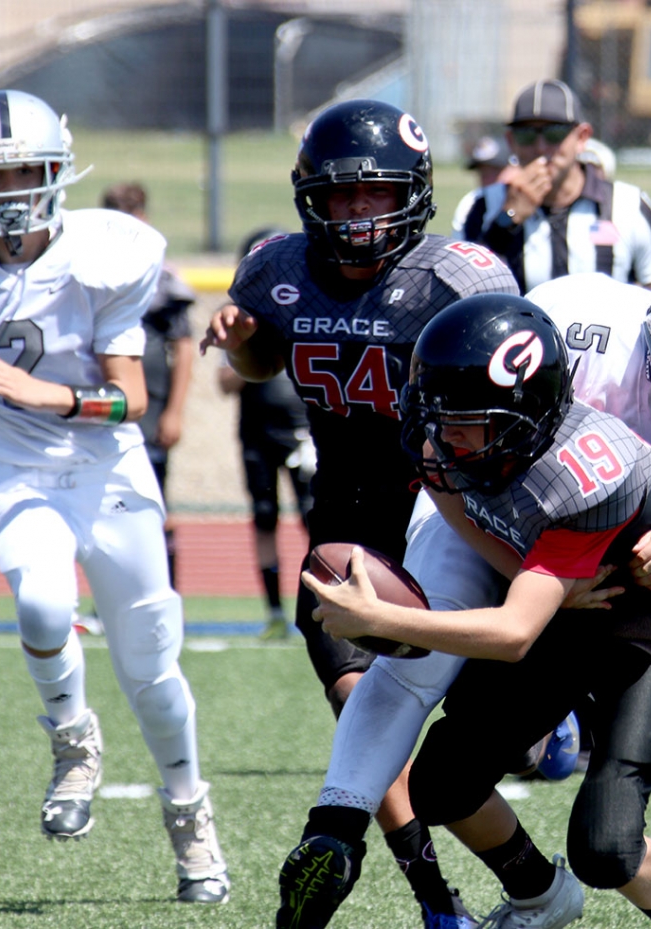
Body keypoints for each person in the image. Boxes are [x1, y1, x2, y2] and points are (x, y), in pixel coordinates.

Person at [287, 243, 651, 929]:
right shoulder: (580, 325)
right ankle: (336, 821)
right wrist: (532, 580)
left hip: (632, 569)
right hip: (500, 512)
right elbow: (447, 446)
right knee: (422, 657)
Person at [199, 98, 520, 929]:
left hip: (452, 505)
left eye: (373, 193)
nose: (354, 212)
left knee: (485, 708)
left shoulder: (459, 278)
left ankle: (548, 733)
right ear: (310, 194)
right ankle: (434, 897)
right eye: (338, 195)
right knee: (359, 708)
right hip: (346, 510)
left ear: (411, 192)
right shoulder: (277, 266)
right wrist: (240, 340)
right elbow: (268, 350)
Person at [0, 90, 229, 905]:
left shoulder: (108, 252)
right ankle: (73, 740)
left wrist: (51, 397)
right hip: (16, 475)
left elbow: (129, 396)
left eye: (26, 170)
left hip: (108, 472)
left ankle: (189, 817)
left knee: (153, 671)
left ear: (60, 169)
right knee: (42, 606)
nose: (11, 190)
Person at [458, 78, 651, 294]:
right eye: (526, 135)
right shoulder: (481, 206)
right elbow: (462, 291)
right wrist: (506, 219)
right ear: (511, 141)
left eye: (555, 134)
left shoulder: (628, 205)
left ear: (582, 137)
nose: (541, 147)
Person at [218, 228, 315, 638]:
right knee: (263, 517)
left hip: (301, 431)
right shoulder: (241, 316)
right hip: (257, 431)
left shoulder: (308, 309)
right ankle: (274, 612)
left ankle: (324, 605)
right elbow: (226, 382)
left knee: (315, 517)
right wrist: (247, 347)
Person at [100, 182, 195, 588]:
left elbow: (184, 346)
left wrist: (174, 411)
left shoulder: (161, 278)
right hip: (105, 406)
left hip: (150, 406)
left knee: (153, 500)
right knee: (106, 505)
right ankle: (113, 595)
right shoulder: (93, 270)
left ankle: (163, 591)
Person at [450, 136, 517, 238]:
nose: (488, 180)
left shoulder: (531, 200)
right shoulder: (470, 205)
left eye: (495, 171)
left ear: (513, 168)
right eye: (483, 173)